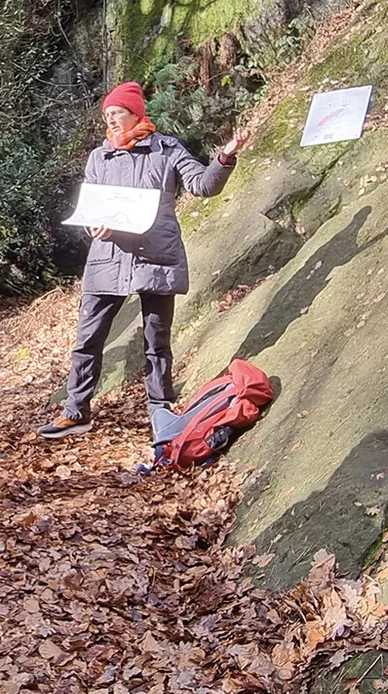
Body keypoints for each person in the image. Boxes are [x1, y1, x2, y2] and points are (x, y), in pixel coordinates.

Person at [37, 81, 248, 439]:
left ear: (136, 113)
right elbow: (91, 208)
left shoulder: (167, 150)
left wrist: (226, 156)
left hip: (156, 257)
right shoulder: (99, 157)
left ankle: (161, 411)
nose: (112, 120)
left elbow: (203, 186)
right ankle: (76, 411)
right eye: (107, 115)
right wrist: (93, 226)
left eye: (117, 113)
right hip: (107, 259)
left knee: (157, 339)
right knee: (88, 337)